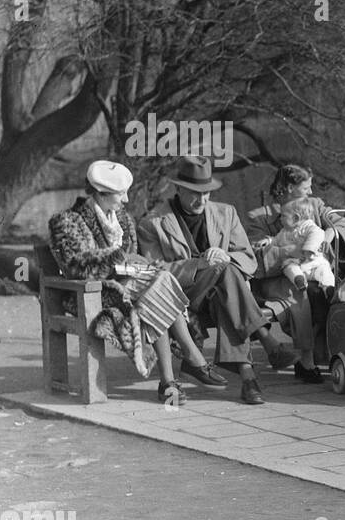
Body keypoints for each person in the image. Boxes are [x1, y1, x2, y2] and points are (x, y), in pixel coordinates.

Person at [48, 160, 222, 405]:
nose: (127, 199)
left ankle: (169, 382)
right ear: (102, 192)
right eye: (121, 193)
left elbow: (132, 258)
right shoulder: (67, 221)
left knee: (157, 284)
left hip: (133, 287)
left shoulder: (122, 219)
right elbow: (76, 265)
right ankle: (191, 359)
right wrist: (119, 256)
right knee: (158, 285)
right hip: (94, 292)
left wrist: (141, 263)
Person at [137, 156, 297, 405]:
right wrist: (198, 265)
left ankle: (248, 378)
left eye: (207, 193)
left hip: (222, 295)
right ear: (177, 188)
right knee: (226, 274)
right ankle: (266, 340)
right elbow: (154, 271)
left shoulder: (226, 213)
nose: (201, 200)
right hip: (180, 298)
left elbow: (248, 259)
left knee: (227, 282)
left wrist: (226, 256)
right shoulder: (153, 222)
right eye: (194, 193)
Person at [246, 163, 345, 382]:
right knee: (302, 293)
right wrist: (295, 250)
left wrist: (329, 233)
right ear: (287, 188)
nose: (311, 192)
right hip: (276, 279)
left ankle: (330, 352)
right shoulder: (259, 217)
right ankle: (307, 360)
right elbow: (257, 259)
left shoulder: (314, 206)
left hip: (312, 270)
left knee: (327, 291)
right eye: (306, 188)